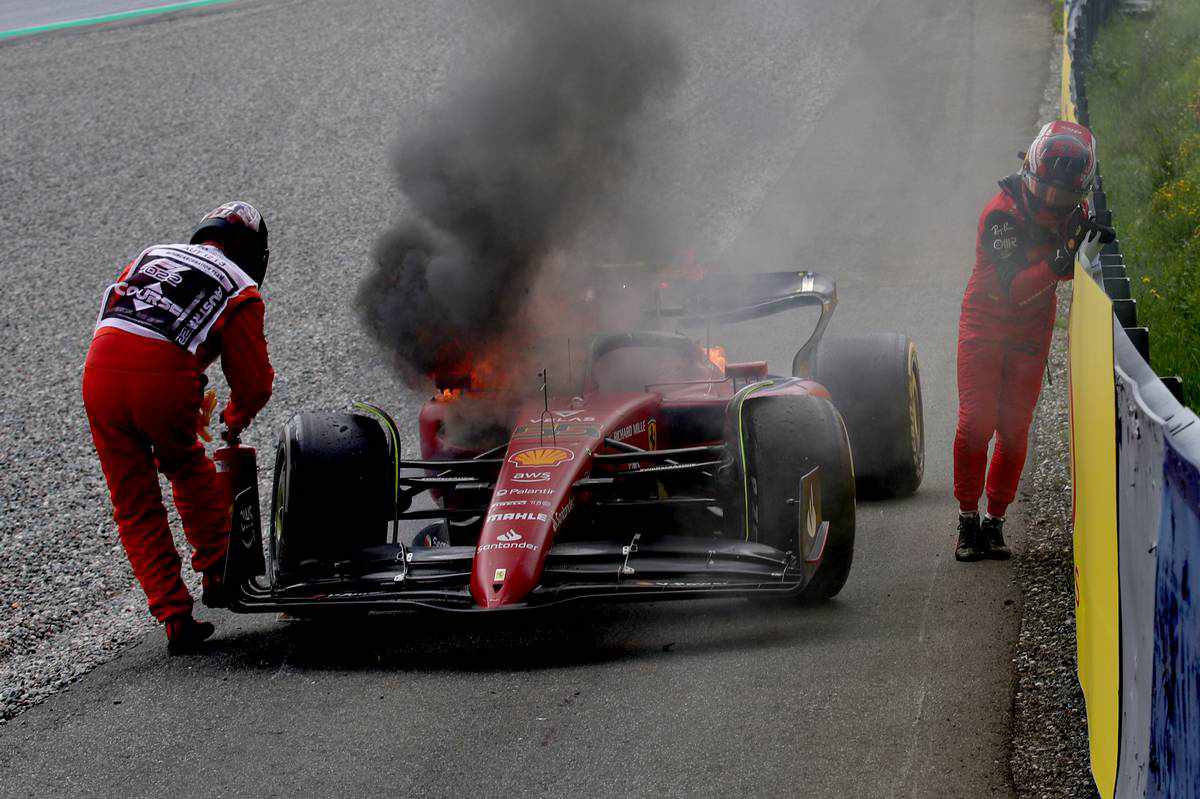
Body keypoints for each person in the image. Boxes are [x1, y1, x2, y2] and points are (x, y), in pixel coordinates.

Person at [82, 201, 275, 653]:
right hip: (161, 375)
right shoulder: (241, 285)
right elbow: (254, 382)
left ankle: (173, 617)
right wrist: (233, 421)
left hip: (99, 372)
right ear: (253, 252)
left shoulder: (151, 254)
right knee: (186, 464)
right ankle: (216, 571)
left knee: (132, 500)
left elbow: (119, 313)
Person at [953, 120, 1111, 562]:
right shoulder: (1000, 213)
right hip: (985, 325)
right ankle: (967, 519)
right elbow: (1014, 288)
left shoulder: (1075, 216)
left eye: (1065, 196)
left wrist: (1093, 248)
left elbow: (1074, 261)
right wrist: (1062, 260)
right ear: (1032, 173)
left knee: (1016, 430)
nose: (1054, 202)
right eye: (1048, 191)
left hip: (1030, 333)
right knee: (975, 423)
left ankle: (995, 521)